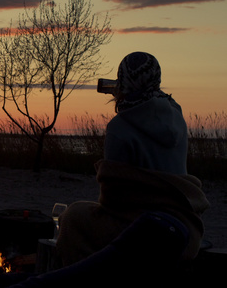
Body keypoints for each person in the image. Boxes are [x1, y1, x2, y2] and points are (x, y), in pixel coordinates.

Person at [56, 51, 209, 267]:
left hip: (146, 231)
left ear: (123, 80)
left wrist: (122, 96)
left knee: (73, 216)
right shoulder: (176, 114)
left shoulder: (119, 128)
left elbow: (113, 201)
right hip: (184, 228)